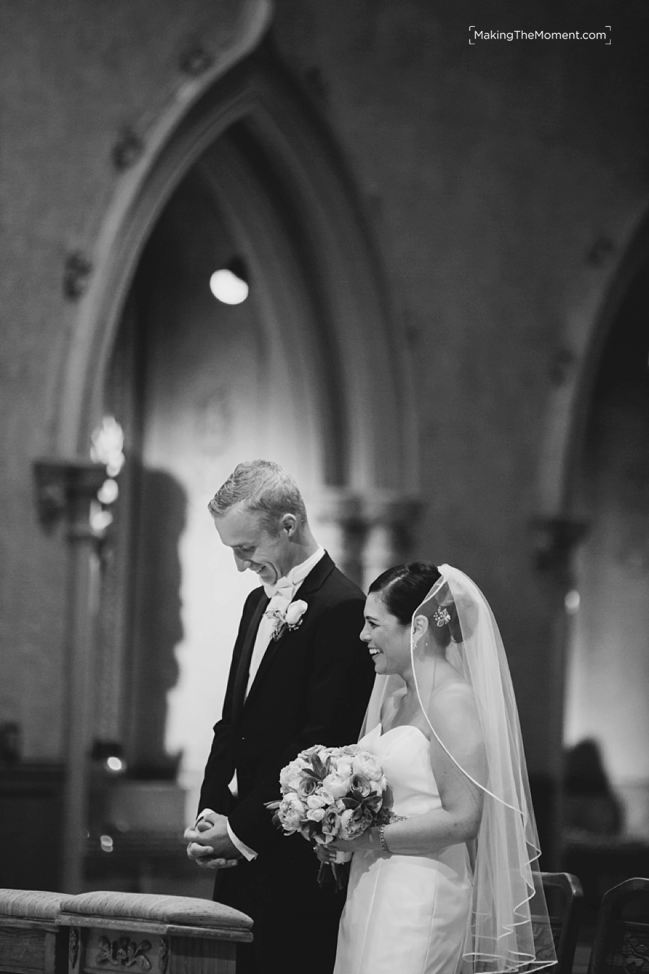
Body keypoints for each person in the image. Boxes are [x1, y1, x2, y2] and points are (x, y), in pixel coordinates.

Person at [319, 562, 557, 974]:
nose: (363, 636)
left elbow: (463, 819)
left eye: (374, 624)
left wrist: (364, 838)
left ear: (418, 627)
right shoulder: (394, 698)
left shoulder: (452, 701)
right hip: (370, 882)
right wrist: (334, 825)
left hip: (420, 894)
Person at [184, 460, 374, 974]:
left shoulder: (342, 607)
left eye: (246, 549)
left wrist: (243, 831)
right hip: (239, 847)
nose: (241, 565)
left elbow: (321, 745)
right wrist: (210, 814)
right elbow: (232, 722)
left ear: (288, 525)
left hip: (293, 855)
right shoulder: (255, 605)